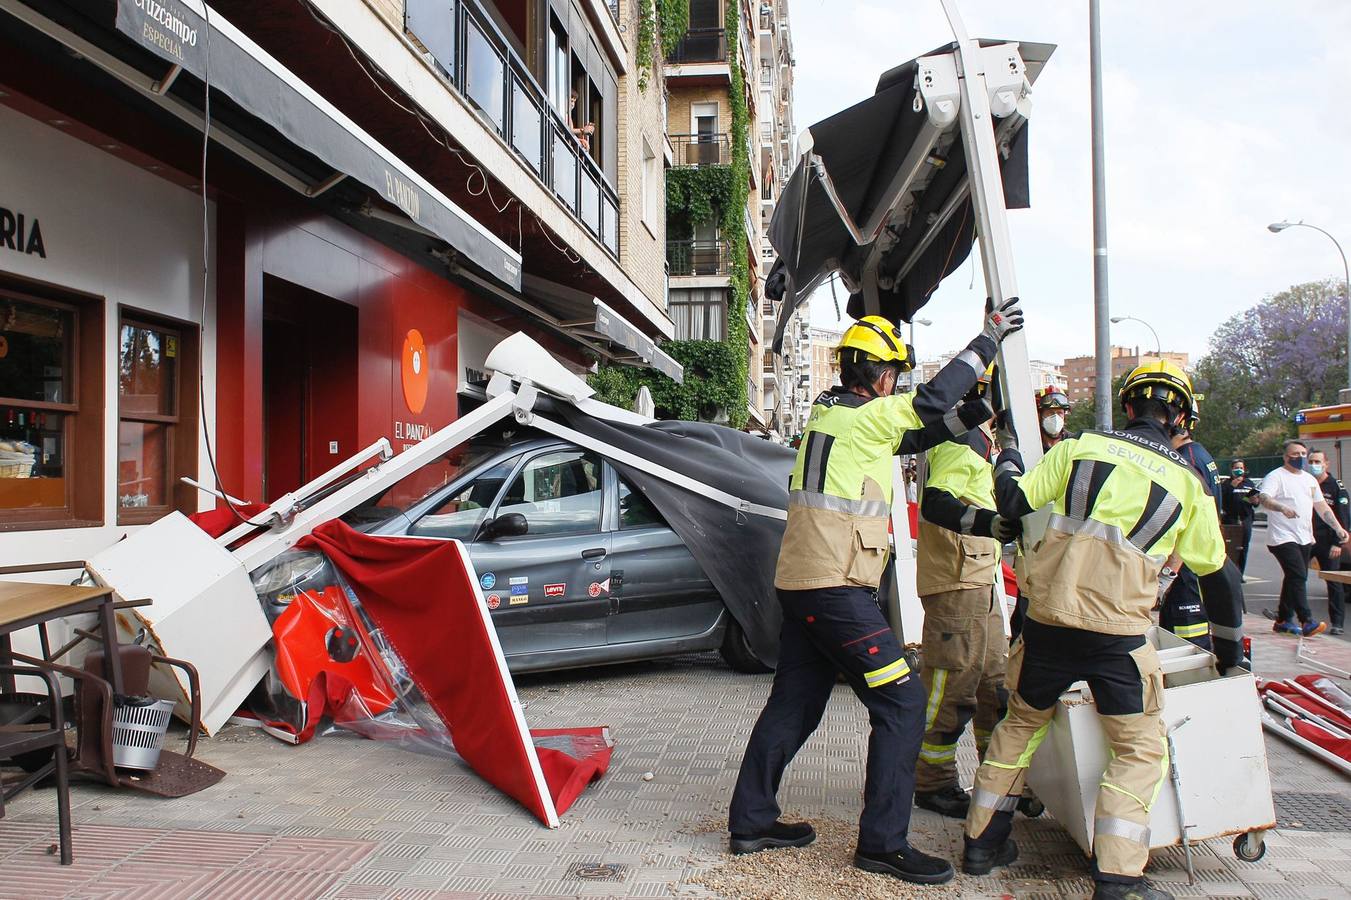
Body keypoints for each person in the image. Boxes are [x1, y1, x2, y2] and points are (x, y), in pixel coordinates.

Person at [728, 300, 1025, 886]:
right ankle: (882, 845)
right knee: (904, 704)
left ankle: (752, 820)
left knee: (795, 704)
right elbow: (929, 406)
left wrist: (987, 408)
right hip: (837, 589)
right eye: (895, 375)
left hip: (803, 585)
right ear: (881, 375)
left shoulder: (830, 417)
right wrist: (988, 338)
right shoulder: (866, 418)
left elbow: (927, 429)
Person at [962, 360, 1245, 900]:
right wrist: (1229, 656)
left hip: (1046, 624)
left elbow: (1015, 502)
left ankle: (981, 845)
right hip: (1119, 639)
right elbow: (1220, 578)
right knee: (1137, 751)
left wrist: (1012, 456)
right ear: (1179, 417)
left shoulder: (1077, 448)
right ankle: (1117, 880)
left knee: (1020, 726)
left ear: (1130, 407)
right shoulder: (1188, 485)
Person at [912, 366, 1020, 819]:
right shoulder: (964, 438)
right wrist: (989, 524)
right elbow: (939, 501)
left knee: (994, 685)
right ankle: (930, 781)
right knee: (951, 686)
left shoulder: (976, 438)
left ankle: (997, 782)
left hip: (978, 579)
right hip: (958, 583)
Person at [1258, 440, 1347, 636]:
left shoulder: (1309, 480)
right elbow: (1264, 498)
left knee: (1294, 577)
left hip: (1304, 537)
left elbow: (1322, 507)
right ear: (1285, 457)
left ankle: (1282, 619)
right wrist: (1281, 508)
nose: (1299, 457)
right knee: (1298, 575)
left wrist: (1338, 528)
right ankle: (1307, 620)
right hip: (1282, 537)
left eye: (1302, 454)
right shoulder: (1276, 477)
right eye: (1295, 454)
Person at [1157, 416, 1222, 649]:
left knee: (1186, 640)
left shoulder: (1185, 461)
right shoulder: (1198, 454)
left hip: (1185, 570)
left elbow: (1185, 525)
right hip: (1193, 564)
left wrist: (1166, 576)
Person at [1309, 449, 1350, 634]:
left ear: (1326, 464)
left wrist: (1337, 543)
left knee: (1333, 581)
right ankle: (1284, 615)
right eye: (1311, 461)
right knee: (1295, 576)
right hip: (1307, 538)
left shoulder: (1336, 486)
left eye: (1317, 461)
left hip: (1328, 541)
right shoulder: (1307, 482)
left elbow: (1342, 517)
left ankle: (1337, 624)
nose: (1314, 465)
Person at [1220, 459, 1258, 575]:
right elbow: (1222, 500)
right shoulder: (1226, 484)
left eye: (1241, 468)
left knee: (1243, 546)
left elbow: (1255, 502)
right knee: (1230, 547)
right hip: (1230, 519)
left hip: (1245, 518)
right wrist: (1231, 487)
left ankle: (1240, 573)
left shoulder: (1249, 483)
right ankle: (1229, 573)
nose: (1239, 470)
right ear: (1232, 470)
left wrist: (1254, 500)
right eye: (1236, 468)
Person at [1035, 385, 1071, 451]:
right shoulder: (1031, 443)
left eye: (1059, 413)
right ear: (1039, 415)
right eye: (1050, 412)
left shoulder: (1072, 442)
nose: (1055, 418)